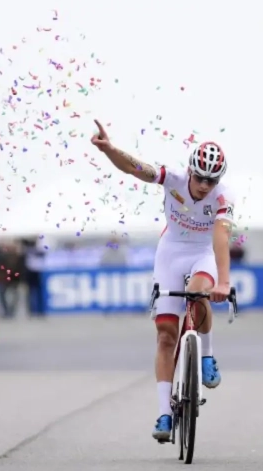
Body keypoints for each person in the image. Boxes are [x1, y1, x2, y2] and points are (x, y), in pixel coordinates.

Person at [91, 119, 234, 443]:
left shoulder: (224, 197)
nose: (203, 186)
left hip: (201, 254)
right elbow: (136, 169)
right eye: (200, 178)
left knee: (200, 295)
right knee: (166, 336)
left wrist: (223, 282)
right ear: (190, 170)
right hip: (170, 253)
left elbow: (222, 237)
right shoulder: (175, 179)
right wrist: (111, 150)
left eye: (211, 181)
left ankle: (207, 355)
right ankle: (165, 414)